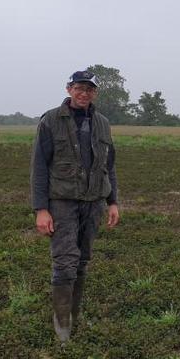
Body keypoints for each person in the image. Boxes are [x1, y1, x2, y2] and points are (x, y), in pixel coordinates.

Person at [30, 70, 120, 343]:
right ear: (69, 89)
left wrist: (112, 201)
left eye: (90, 89)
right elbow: (39, 168)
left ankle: (74, 316)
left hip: (93, 204)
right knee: (65, 262)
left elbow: (109, 166)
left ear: (96, 93)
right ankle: (62, 327)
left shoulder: (103, 123)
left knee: (82, 261)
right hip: (63, 203)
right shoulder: (51, 120)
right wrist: (41, 209)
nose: (84, 93)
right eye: (80, 88)